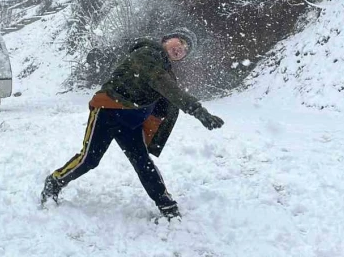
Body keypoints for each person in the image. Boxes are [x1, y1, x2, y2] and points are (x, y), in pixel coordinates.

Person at [40, 28, 224, 220]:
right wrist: (198, 110)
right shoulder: (147, 53)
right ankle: (54, 182)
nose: (181, 49)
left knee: (143, 162)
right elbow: (166, 87)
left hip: (131, 124)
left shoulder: (165, 69)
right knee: (89, 159)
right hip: (107, 111)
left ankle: (166, 205)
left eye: (185, 49)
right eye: (180, 42)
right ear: (167, 39)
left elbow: (167, 102)